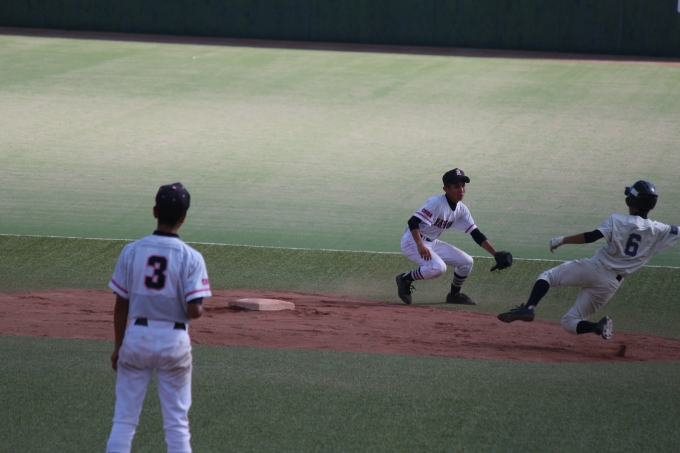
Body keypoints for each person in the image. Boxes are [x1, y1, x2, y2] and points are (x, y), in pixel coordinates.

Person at [498, 180, 678, 340]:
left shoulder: (617, 220)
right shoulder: (659, 230)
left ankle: (529, 308)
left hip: (596, 268)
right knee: (569, 321)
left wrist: (562, 240)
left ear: (631, 200)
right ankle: (597, 327)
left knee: (548, 276)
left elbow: (592, 237)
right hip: (610, 285)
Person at [106, 183, 212, 453]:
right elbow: (193, 311)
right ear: (183, 217)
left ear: (155, 211)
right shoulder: (192, 257)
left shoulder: (131, 251)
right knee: (177, 426)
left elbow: (121, 306)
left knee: (124, 422)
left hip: (136, 338)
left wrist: (119, 346)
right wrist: (199, 308)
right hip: (174, 341)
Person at [395, 168, 511, 305]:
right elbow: (413, 222)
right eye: (456, 187)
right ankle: (404, 279)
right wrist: (420, 245)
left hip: (432, 242)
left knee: (467, 262)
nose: (461, 190)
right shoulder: (435, 203)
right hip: (412, 242)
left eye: (463, 186)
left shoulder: (462, 209)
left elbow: (476, 233)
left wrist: (495, 253)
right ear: (446, 189)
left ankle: (454, 295)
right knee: (438, 268)